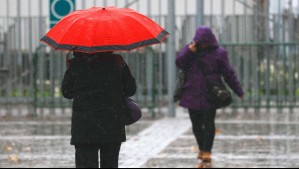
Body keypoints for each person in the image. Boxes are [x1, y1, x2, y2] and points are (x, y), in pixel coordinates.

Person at [176, 26, 244, 164]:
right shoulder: (190, 50)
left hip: (210, 94)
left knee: (208, 123)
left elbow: (228, 74)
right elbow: (179, 63)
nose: (202, 45)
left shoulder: (219, 53)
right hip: (192, 93)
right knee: (196, 124)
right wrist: (189, 51)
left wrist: (238, 90)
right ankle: (202, 148)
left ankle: (207, 151)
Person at [62, 51, 136, 168]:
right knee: (110, 164)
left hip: (84, 127)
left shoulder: (76, 64)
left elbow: (67, 92)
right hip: (112, 124)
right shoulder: (117, 62)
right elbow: (130, 89)